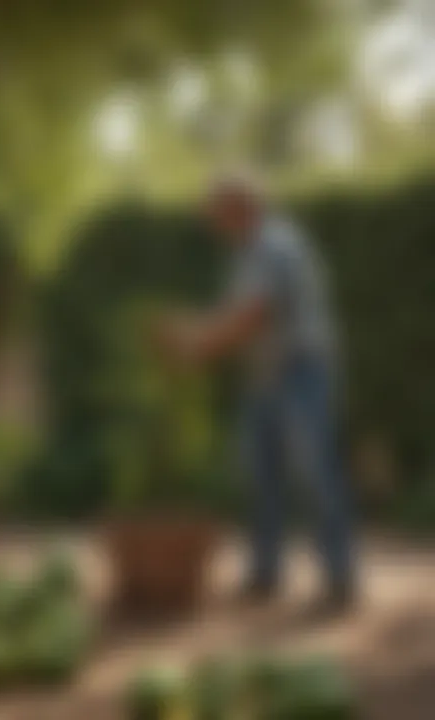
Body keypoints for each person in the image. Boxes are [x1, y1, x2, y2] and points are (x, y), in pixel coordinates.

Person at [154, 173, 355, 614]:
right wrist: (197, 331)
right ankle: (266, 573)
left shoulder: (273, 245)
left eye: (216, 213)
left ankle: (340, 579)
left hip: (299, 371)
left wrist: (194, 345)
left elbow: (252, 315)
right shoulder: (247, 252)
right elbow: (235, 314)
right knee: (260, 475)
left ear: (239, 207)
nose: (212, 224)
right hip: (265, 376)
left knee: (314, 471)